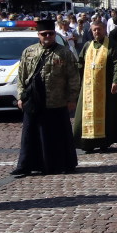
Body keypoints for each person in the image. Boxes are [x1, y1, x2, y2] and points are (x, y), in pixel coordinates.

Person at [13, 19, 80, 177]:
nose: (48, 36)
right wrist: (21, 96)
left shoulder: (64, 53)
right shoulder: (29, 52)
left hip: (56, 99)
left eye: (50, 33)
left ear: (54, 34)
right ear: (38, 35)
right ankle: (26, 164)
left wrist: (72, 98)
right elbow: (21, 76)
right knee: (30, 135)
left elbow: (73, 77)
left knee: (57, 135)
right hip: (33, 100)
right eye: (44, 34)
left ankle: (60, 164)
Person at [73, 18, 117, 154]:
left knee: (107, 116)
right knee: (85, 115)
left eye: (99, 29)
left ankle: (105, 142)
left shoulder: (112, 45)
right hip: (88, 88)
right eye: (94, 30)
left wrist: (116, 81)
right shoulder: (87, 45)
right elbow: (80, 63)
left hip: (106, 87)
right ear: (91, 32)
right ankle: (87, 143)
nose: (97, 32)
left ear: (104, 30)